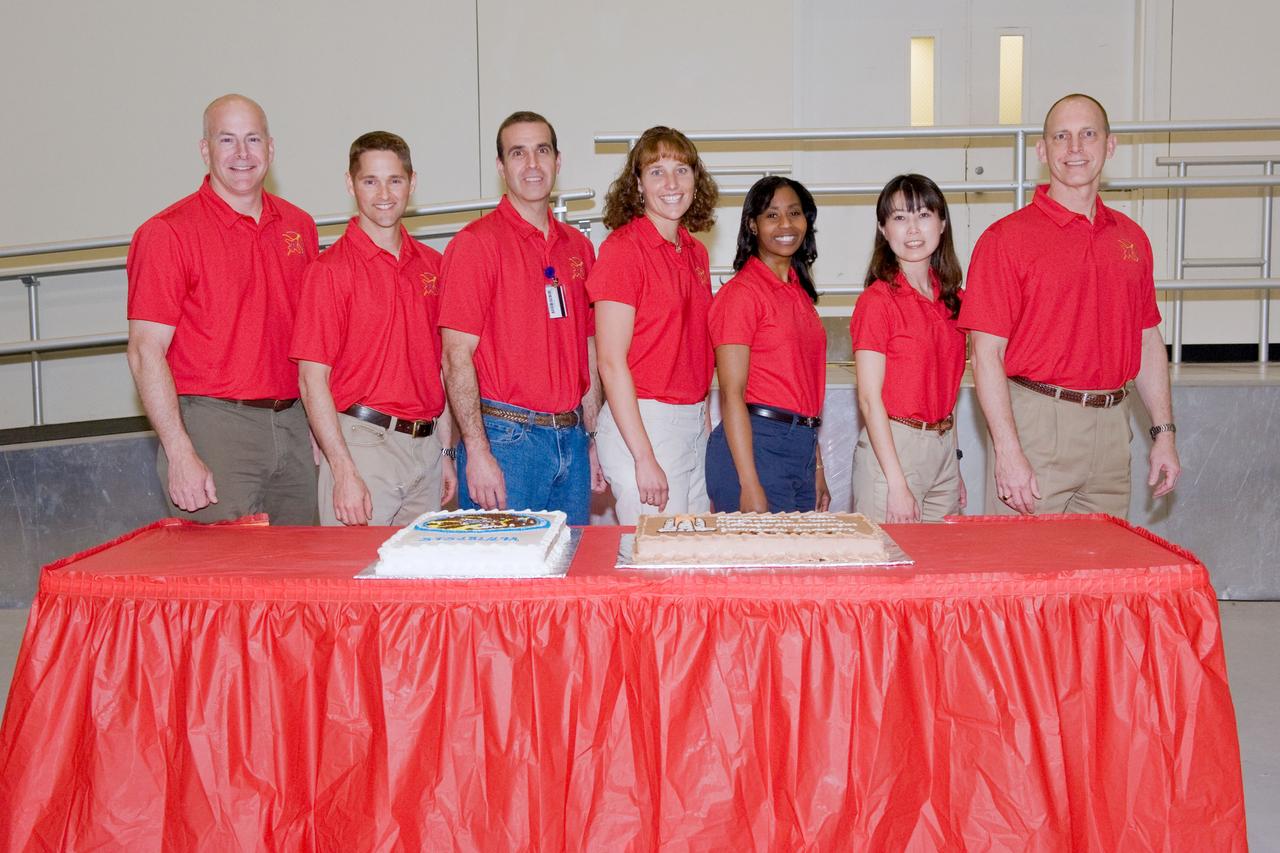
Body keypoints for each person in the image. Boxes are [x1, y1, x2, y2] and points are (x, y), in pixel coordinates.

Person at [960, 93, 1180, 517]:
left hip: (1114, 429)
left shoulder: (1131, 239)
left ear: (1109, 145)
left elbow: (1147, 340)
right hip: (1037, 426)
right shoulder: (1005, 239)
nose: (1075, 148)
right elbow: (986, 355)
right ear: (1043, 151)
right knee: (1024, 578)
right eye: (1061, 136)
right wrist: (1007, 451)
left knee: (1100, 579)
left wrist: (1164, 434)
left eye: (1088, 135)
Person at [126, 94, 319, 524]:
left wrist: (319, 431)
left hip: (292, 427)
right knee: (225, 587)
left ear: (271, 148)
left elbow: (310, 342)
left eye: (253, 139)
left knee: (300, 582)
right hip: (214, 429)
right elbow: (144, 352)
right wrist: (179, 451)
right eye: (227, 139)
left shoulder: (299, 226)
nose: (242, 154)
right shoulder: (167, 234)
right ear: (204, 149)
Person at [438, 111, 603, 525]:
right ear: (501, 166)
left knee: (570, 578)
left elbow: (587, 347)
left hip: (571, 440)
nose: (532, 165)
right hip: (507, 442)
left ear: (558, 161)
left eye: (542, 151)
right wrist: (476, 451)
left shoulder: (578, 248)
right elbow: (456, 357)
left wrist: (592, 438)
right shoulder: (475, 245)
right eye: (518, 153)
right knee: (503, 583)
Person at [291, 131, 455, 526]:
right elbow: (312, 381)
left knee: (420, 584)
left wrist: (446, 454)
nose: (384, 193)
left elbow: (443, 367)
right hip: (364, 447)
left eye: (394, 180)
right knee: (353, 581)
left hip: (427, 449)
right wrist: (342, 469)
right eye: (370, 181)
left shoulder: (434, 265)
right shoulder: (328, 272)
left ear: (412, 183)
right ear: (350, 184)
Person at [587, 126, 719, 523]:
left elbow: (693, 350)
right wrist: (643, 456)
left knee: (695, 561)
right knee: (659, 567)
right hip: (645, 425)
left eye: (681, 169)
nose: (671, 183)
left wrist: (704, 425)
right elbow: (610, 362)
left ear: (697, 179)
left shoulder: (695, 252)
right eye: (657, 171)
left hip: (693, 422)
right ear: (638, 185)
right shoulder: (623, 251)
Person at [705, 177, 829, 513]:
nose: (786, 224)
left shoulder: (799, 294)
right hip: (756, 446)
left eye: (795, 213)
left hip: (799, 446)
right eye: (772, 215)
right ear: (752, 225)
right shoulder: (741, 295)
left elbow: (804, 392)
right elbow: (732, 394)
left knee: (800, 563)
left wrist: (816, 468)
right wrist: (748, 482)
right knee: (760, 561)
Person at [850, 174, 967, 523]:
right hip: (895, 451)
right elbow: (870, 401)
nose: (913, 229)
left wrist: (955, 466)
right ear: (884, 230)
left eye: (924, 215)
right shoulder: (878, 301)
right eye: (900, 217)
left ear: (942, 223)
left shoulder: (954, 301)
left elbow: (950, 390)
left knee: (940, 569)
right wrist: (896, 483)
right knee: (889, 570)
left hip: (943, 449)